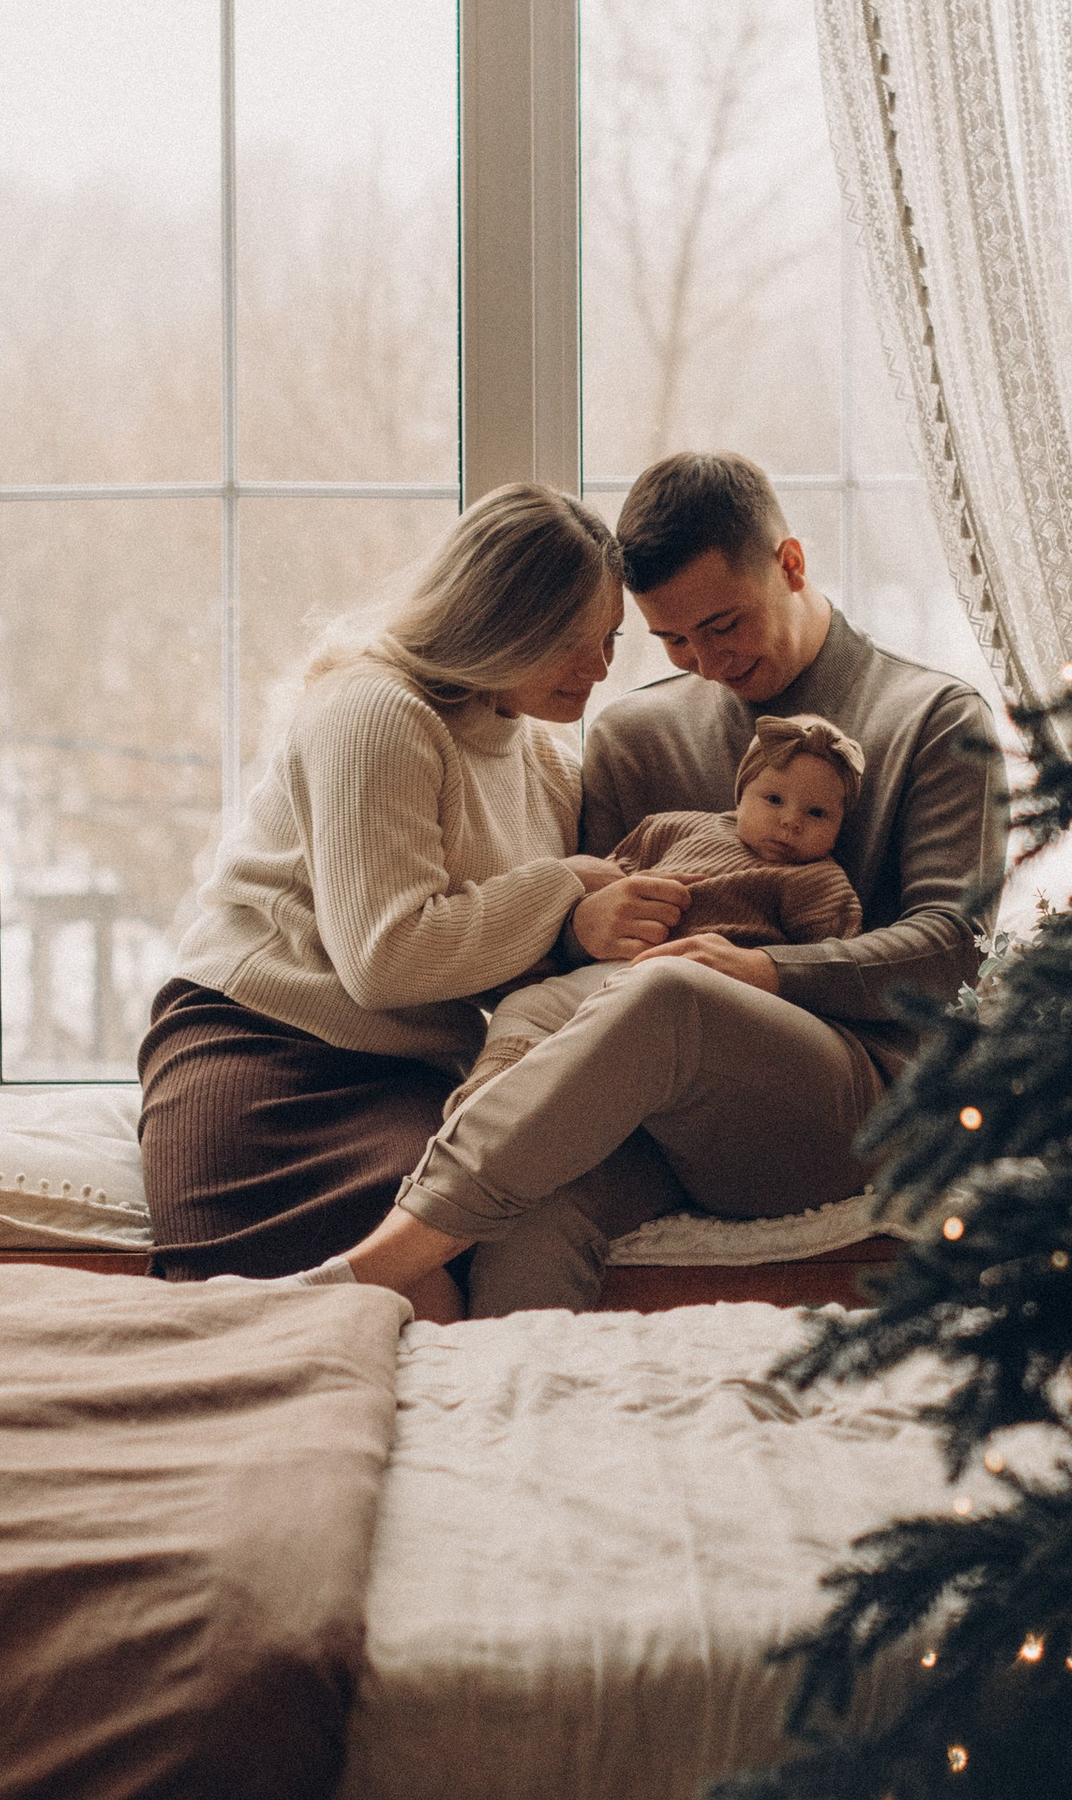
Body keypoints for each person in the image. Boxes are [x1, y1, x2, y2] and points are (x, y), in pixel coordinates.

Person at [305, 449, 1008, 1315]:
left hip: (859, 1101)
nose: (704, 661)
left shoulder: (934, 719)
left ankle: (370, 1268)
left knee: (669, 993)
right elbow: (571, 963)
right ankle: (501, 1393)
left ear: (791, 564)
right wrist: (581, 927)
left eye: (724, 625)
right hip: (656, 1109)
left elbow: (955, 950)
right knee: (535, 1202)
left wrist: (769, 971)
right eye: (672, 639)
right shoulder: (634, 737)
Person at [136, 483, 632, 1319]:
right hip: (258, 1051)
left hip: (406, 1077)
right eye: (570, 642)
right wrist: (564, 888)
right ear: (495, 621)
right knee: (372, 1307)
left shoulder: (546, 768)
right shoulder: (375, 711)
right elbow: (386, 959)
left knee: (455, 1271)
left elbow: (509, 957)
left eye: (611, 638)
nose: (600, 669)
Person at [442, 710, 866, 1117]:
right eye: (774, 799)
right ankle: (491, 1088)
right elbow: (609, 879)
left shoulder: (819, 881)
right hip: (613, 968)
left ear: (841, 824)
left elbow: (825, 968)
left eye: (816, 813)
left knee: (605, 1041)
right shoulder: (677, 827)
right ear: (741, 794)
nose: (790, 822)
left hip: (694, 997)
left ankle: (527, 1106)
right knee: (526, 1005)